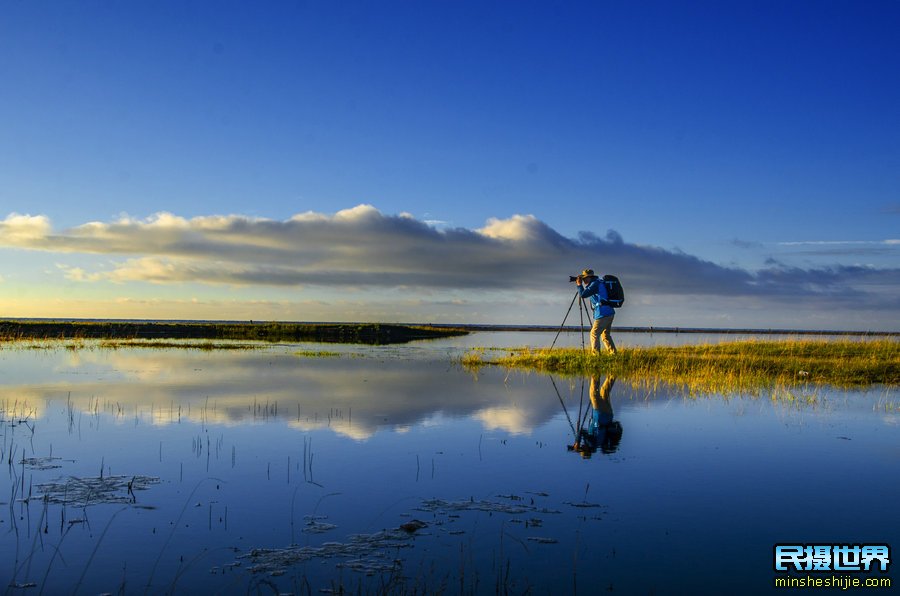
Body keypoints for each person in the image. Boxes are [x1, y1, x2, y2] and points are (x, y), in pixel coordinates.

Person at [575, 268, 617, 355]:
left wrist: (579, 285)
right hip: (609, 312)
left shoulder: (595, 284)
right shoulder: (598, 282)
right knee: (605, 335)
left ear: (590, 277)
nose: (584, 280)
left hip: (603, 313)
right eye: (583, 278)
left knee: (594, 334)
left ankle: (596, 355)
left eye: (585, 278)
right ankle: (613, 354)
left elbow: (583, 294)